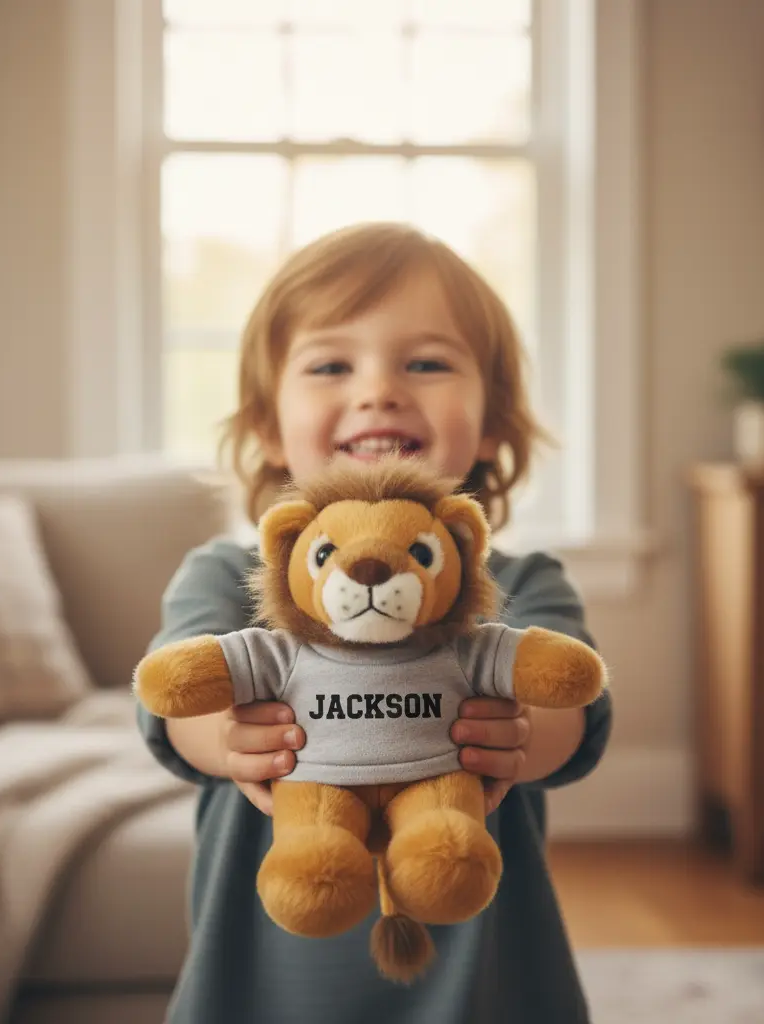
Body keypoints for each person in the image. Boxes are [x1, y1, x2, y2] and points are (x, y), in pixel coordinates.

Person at [137, 222, 612, 1024]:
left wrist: (527, 730)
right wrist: (228, 736)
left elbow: (575, 703)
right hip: (264, 981)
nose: (378, 391)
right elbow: (173, 696)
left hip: (482, 984)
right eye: (330, 365)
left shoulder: (522, 583)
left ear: (492, 420)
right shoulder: (227, 576)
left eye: (426, 363)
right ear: (265, 425)